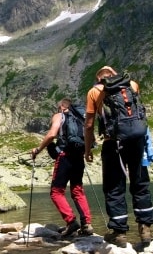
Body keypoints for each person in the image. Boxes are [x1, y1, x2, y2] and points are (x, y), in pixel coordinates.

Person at [83, 66, 153, 247]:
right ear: (114, 74)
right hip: (137, 140)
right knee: (140, 182)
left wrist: (87, 149)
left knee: (114, 186)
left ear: (99, 78)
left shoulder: (94, 92)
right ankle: (145, 227)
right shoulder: (132, 85)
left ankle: (119, 232)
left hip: (113, 142)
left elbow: (89, 124)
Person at [31, 98, 94, 237]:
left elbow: (52, 134)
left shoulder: (60, 115)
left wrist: (38, 149)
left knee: (56, 192)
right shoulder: (80, 117)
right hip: (78, 156)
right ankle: (87, 224)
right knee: (77, 190)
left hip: (64, 156)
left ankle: (71, 222)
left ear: (61, 107)